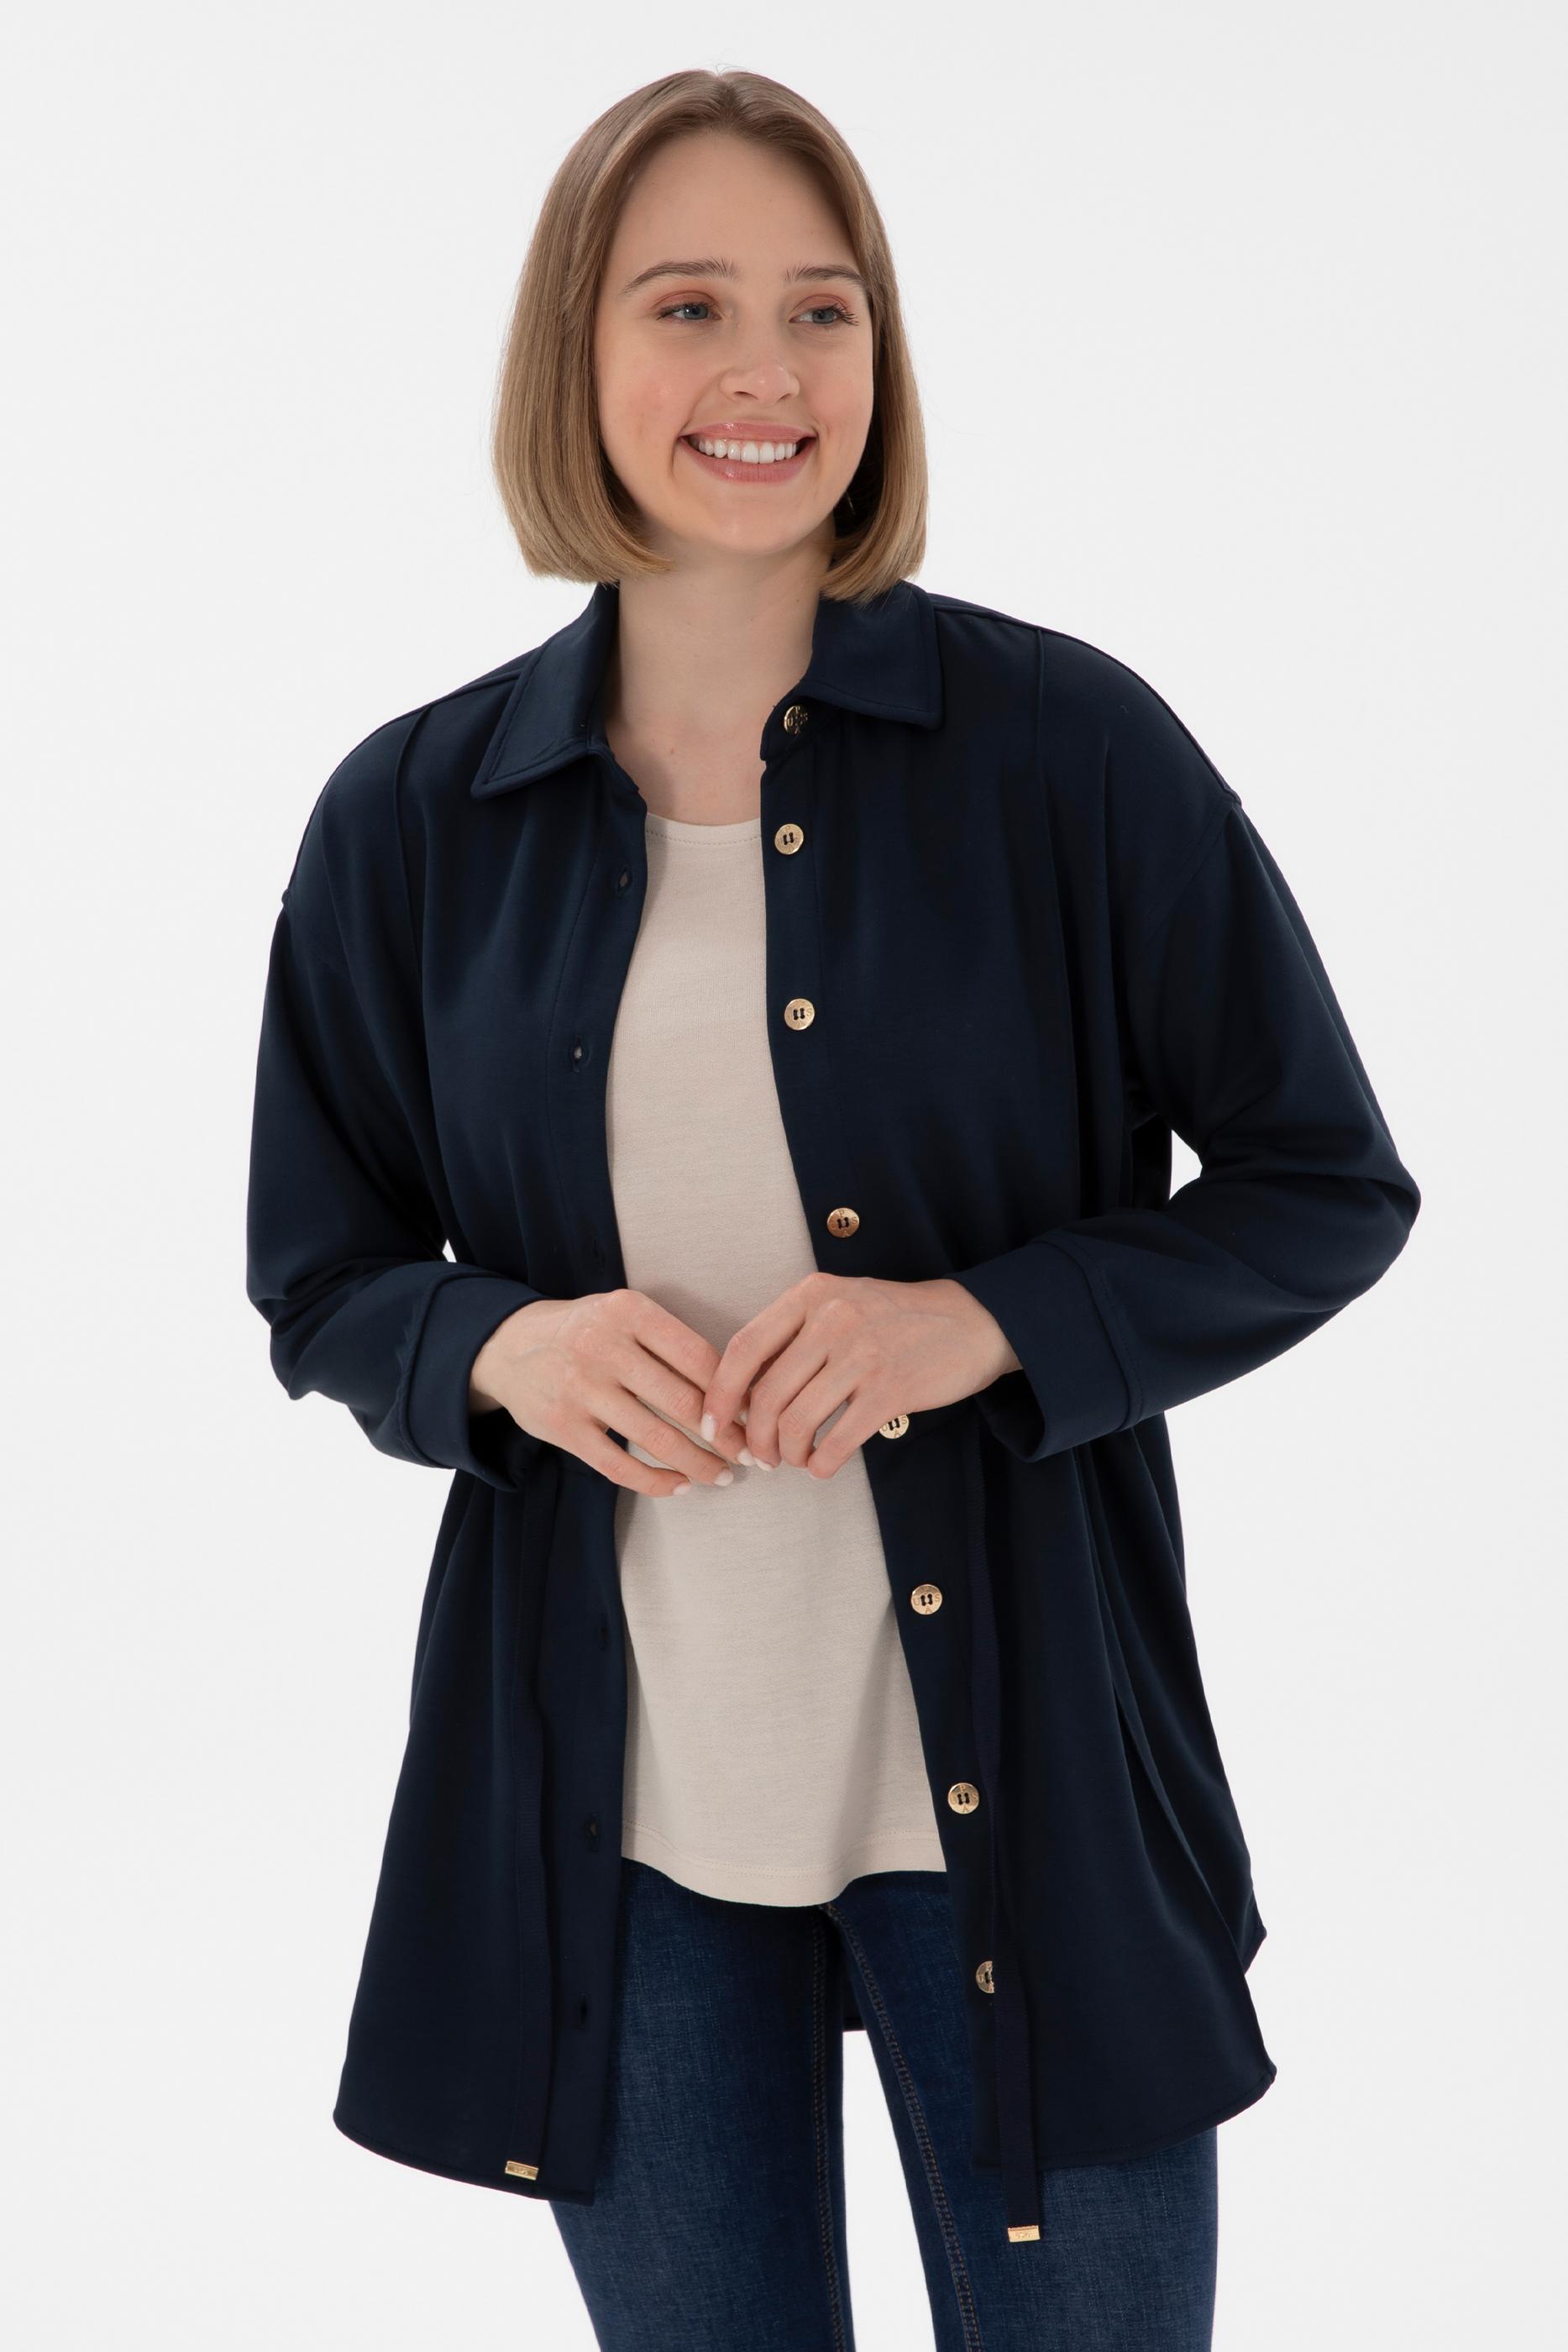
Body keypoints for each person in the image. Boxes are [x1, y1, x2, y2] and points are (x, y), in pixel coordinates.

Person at [245, 68, 1421, 2352]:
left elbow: (1322, 1185)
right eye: (688, 305)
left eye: (824, 308)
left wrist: (976, 1321)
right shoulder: (413, 816)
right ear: (575, 352)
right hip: (615, 1829)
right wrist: (505, 1348)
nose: (765, 373)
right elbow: (321, 1272)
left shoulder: (1071, 755)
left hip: (1028, 1804)